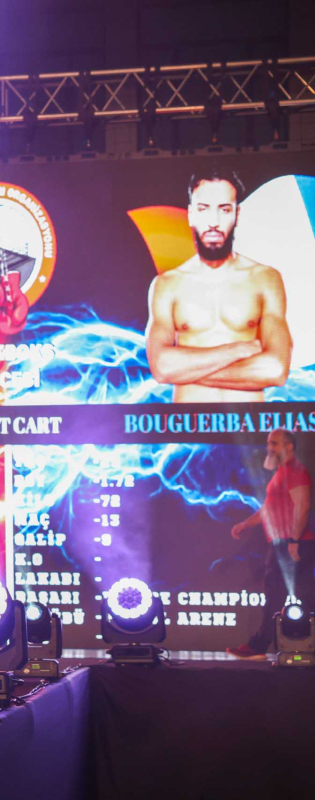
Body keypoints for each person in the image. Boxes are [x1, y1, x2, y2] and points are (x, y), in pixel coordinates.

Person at [146, 170, 292, 402]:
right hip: (189, 423)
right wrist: (239, 350)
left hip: (248, 422)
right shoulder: (167, 285)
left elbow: (276, 369)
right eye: (204, 209)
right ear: (191, 215)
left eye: (224, 210)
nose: (213, 222)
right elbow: (162, 368)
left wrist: (187, 372)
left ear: (237, 214)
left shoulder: (265, 279)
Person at [227, 429, 315, 659]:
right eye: (269, 443)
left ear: (289, 446)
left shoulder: (296, 471)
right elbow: (267, 509)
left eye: (274, 443)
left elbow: (303, 505)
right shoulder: (281, 473)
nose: (269, 448)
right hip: (282, 544)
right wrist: (245, 524)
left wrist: (294, 540)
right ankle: (258, 646)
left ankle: (258, 646)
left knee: (293, 597)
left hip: (292, 543)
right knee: (279, 597)